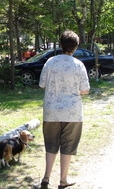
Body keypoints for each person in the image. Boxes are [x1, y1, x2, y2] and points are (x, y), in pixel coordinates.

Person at [39, 30, 90, 189]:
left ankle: (46, 177)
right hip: (72, 113)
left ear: (61, 45)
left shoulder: (50, 62)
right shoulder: (78, 65)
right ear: (75, 46)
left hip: (51, 111)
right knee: (68, 146)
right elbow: (85, 90)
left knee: (51, 144)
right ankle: (63, 180)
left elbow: (42, 84)